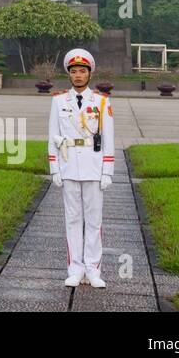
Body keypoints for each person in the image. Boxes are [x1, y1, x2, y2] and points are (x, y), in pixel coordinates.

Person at [49, 48, 115, 289]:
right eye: (74, 71)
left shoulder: (101, 102)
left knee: (94, 221)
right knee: (73, 220)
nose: (78, 75)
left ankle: (93, 269)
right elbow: (53, 136)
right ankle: (75, 268)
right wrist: (54, 168)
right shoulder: (58, 101)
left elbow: (108, 138)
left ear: (90, 74)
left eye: (82, 71)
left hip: (93, 167)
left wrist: (107, 171)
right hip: (68, 166)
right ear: (69, 74)